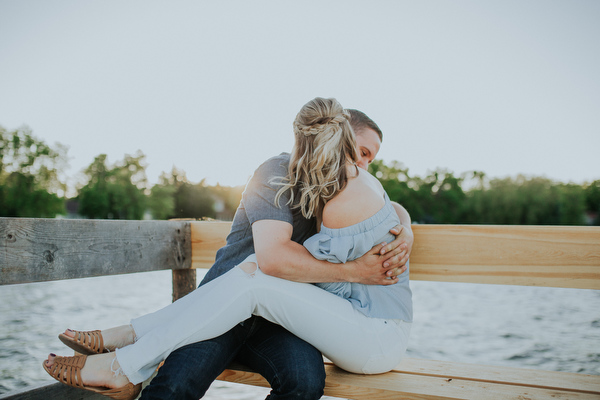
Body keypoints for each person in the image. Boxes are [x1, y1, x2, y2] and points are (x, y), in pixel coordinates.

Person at [43, 98, 414, 400]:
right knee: (176, 383)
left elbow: (385, 210)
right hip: (220, 308)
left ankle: (126, 342)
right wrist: (353, 271)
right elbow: (273, 258)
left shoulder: (346, 190)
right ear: (335, 138)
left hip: (281, 319)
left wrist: (407, 227)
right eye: (361, 151)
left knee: (303, 382)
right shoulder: (277, 172)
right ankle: (125, 359)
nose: (364, 165)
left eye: (370, 159)